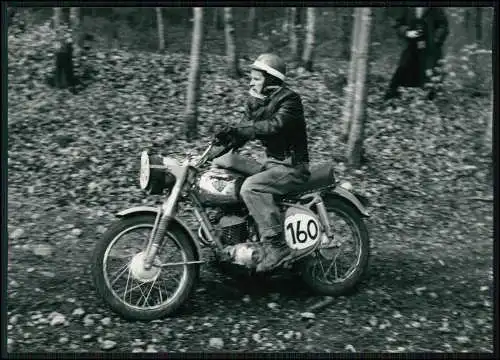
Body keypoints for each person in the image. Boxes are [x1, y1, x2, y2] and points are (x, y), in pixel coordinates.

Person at [215, 53, 311, 272]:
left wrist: (241, 130)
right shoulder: (256, 101)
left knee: (251, 187)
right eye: (252, 78)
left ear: (271, 79)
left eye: (257, 78)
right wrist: (219, 144)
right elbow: (242, 132)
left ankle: (277, 245)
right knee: (224, 162)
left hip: (292, 167)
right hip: (270, 164)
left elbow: (274, 126)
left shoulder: (290, 100)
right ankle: (227, 225)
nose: (251, 82)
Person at [384, 7, 449, 101]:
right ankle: (393, 95)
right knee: (403, 68)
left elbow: (443, 25)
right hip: (411, 45)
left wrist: (435, 40)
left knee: (430, 72)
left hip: (430, 47)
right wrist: (407, 32)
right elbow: (398, 25)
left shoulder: (435, 7)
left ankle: (431, 98)